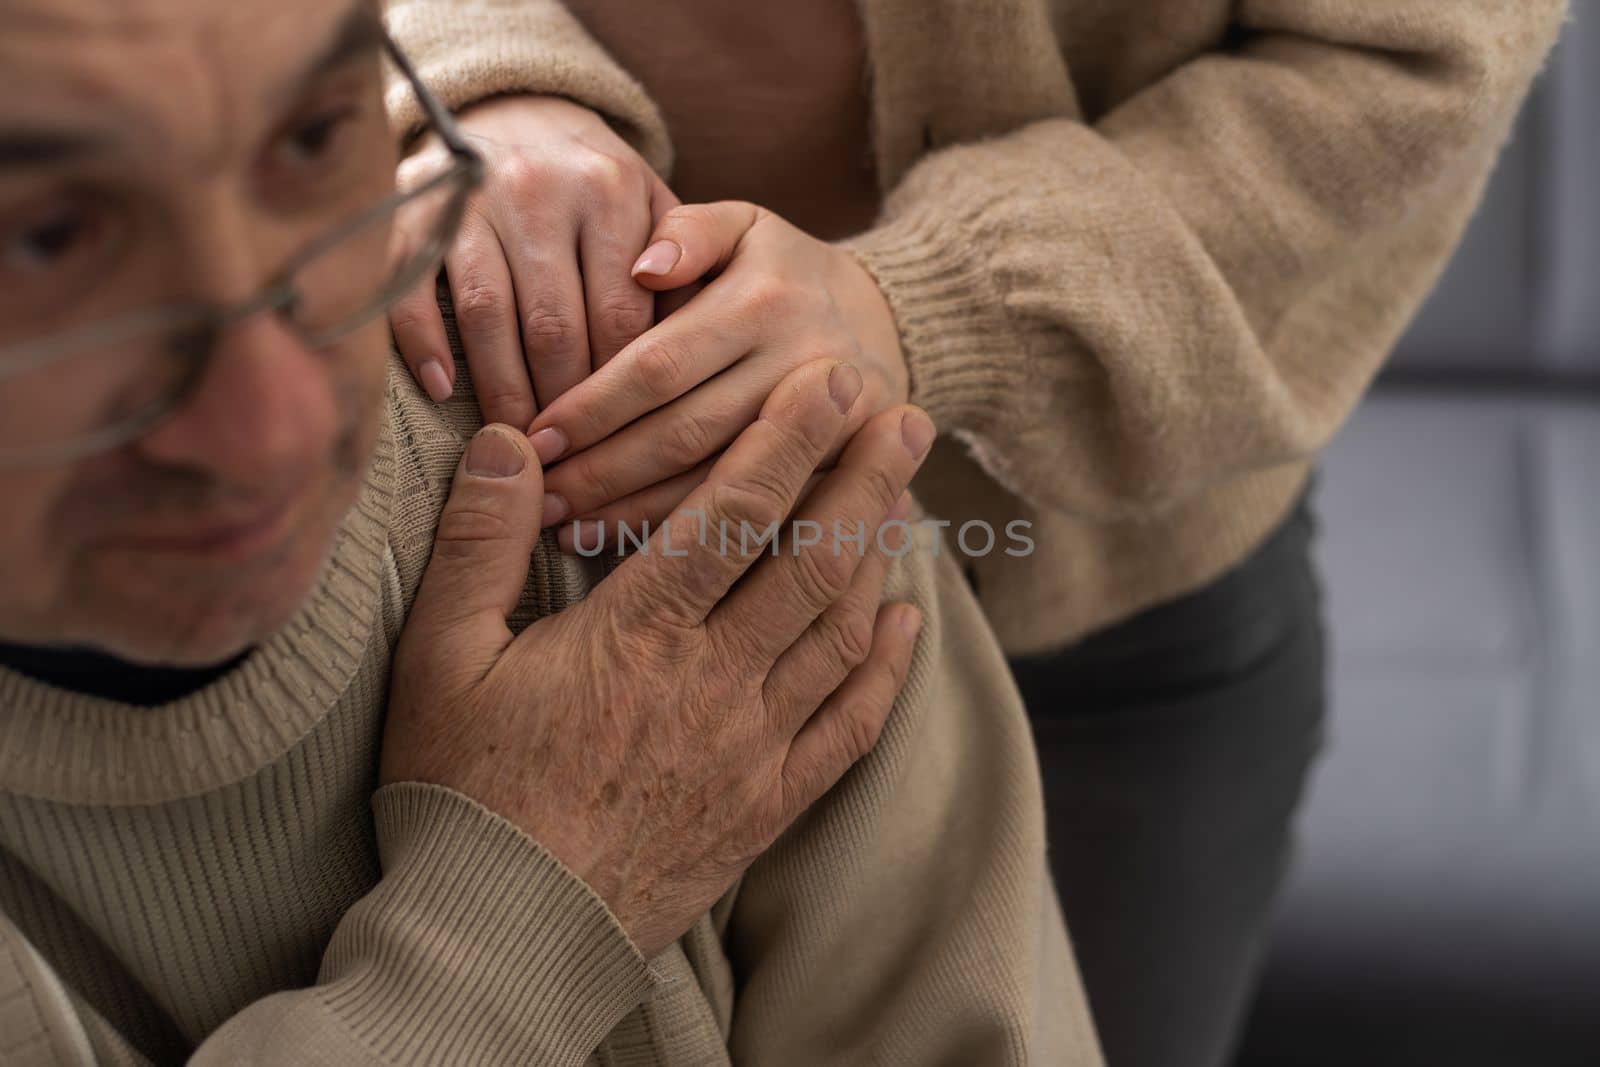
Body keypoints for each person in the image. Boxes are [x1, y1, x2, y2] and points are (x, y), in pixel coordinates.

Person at [382, 1, 1570, 1064]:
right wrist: (482, 74)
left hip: (1113, 609)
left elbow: (1420, 55)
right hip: (560, 600)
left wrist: (928, 294)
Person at [0, 2, 1099, 1064]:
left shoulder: (704, 460)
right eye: (43, 241)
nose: (275, 428)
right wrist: (505, 926)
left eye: (313, 137)